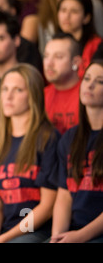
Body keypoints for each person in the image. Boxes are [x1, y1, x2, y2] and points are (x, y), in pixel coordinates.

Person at [0, 63, 60, 243]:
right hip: (4, 231)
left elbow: (48, 206)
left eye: (18, 90)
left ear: (33, 95)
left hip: (37, 231)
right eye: (5, 89)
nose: (8, 96)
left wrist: (4, 238)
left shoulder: (48, 139)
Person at [51, 60, 103, 243]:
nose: (90, 84)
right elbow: (64, 196)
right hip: (75, 231)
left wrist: (81, 237)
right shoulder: (69, 138)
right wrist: (55, 237)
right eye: (87, 78)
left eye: (100, 81)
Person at [57, 0, 102, 78]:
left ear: (86, 18)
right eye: (63, 10)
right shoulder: (54, 43)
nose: (67, 16)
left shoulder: (98, 46)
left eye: (74, 11)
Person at [43, 33, 82, 134]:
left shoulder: (87, 94)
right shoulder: (42, 95)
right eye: (46, 56)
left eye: (58, 57)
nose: (49, 63)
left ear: (76, 62)